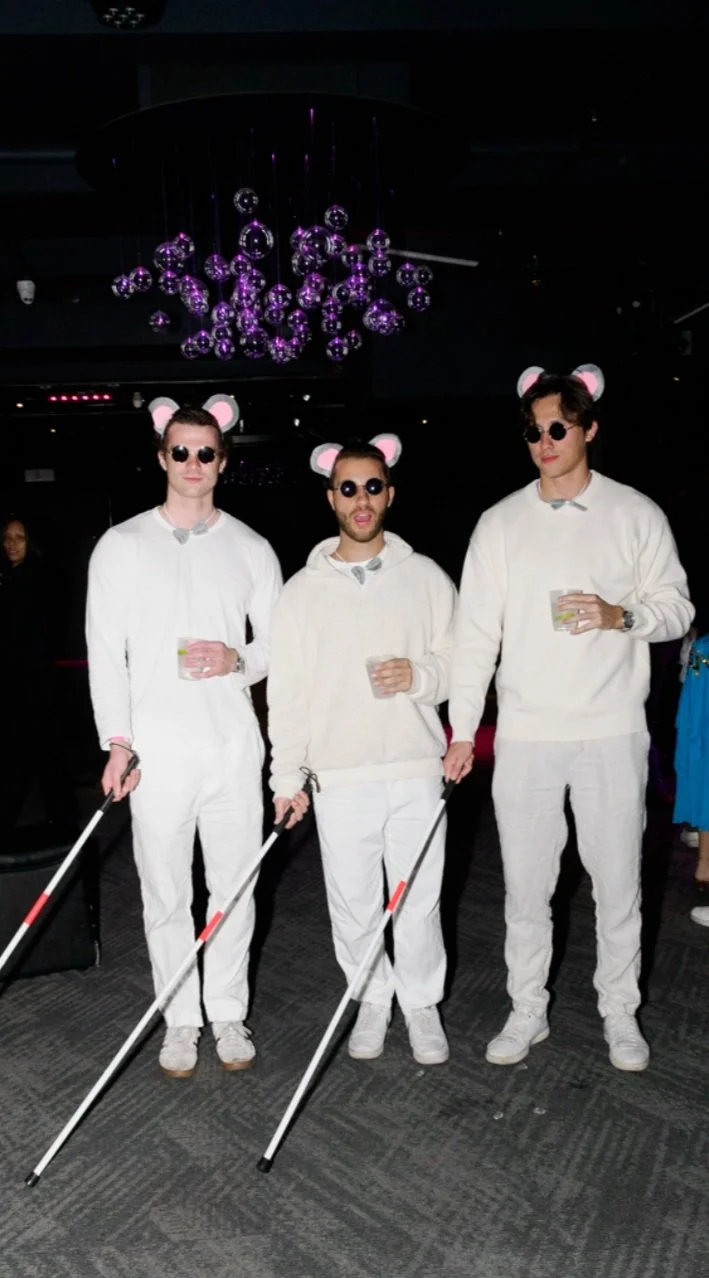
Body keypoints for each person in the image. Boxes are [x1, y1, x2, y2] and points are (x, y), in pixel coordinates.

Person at [444, 363, 694, 1072]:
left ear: (588, 428)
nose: (545, 441)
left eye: (557, 427)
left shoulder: (634, 513)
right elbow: (474, 638)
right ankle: (527, 1009)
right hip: (526, 734)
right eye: (532, 431)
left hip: (610, 729)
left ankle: (619, 1012)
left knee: (617, 883)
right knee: (526, 888)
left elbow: (677, 608)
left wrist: (622, 615)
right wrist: (462, 730)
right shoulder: (499, 523)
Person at [86, 394, 282, 1079]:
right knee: (165, 893)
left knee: (234, 887)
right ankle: (179, 1018)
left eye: (205, 452)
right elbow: (105, 652)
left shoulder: (251, 548)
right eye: (181, 451)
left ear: (222, 461)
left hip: (231, 748)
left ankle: (226, 1011)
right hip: (158, 753)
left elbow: (280, 646)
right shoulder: (121, 545)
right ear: (161, 457)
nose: (192, 463)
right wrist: (117, 741)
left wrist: (238, 659)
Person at [267, 435, 456, 1066]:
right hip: (339, 775)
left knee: (418, 898)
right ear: (331, 498)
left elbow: (460, 665)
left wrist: (421, 676)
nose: (361, 499)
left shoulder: (426, 577)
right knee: (352, 904)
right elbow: (287, 695)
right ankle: (373, 996)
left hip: (415, 768)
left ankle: (421, 1003)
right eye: (348, 488)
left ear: (390, 493)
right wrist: (285, 779)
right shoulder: (300, 592)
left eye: (372, 486)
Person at [0, 514, 77, 834]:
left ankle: (58, 820)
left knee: (25, 752)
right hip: (25, 680)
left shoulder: (36, 579)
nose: (11, 544)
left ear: (32, 543)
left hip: (29, 681)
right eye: (7, 537)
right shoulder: (12, 577)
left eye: (19, 537)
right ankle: (64, 819)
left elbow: (31, 635)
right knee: (42, 752)